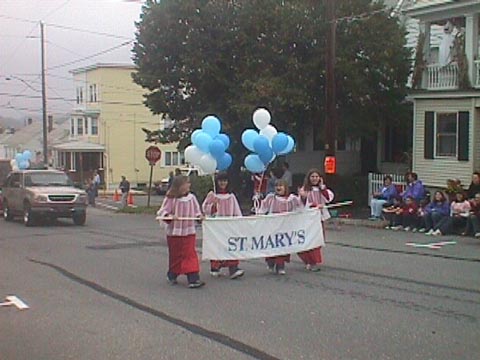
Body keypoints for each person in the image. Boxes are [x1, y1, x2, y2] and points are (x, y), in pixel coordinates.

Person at [156, 176, 205, 288]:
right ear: (180, 185)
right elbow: (163, 211)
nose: (189, 185)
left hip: (188, 232)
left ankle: (193, 278)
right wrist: (170, 217)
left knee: (190, 253)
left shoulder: (192, 198)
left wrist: (199, 217)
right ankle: (173, 273)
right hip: (175, 233)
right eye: (187, 183)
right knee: (176, 255)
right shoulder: (171, 198)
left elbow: (197, 211)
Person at [202, 172, 245, 279]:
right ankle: (215, 266)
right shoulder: (212, 195)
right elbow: (204, 207)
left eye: (225, 181)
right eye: (221, 181)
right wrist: (213, 207)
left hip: (228, 225)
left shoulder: (231, 196)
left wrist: (239, 221)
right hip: (217, 225)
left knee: (230, 246)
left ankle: (233, 267)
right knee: (216, 246)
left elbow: (236, 210)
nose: (223, 183)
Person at [258, 179, 303, 275]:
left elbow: (300, 208)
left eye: (281, 186)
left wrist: (302, 196)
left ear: (285, 187)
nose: (278, 188)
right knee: (272, 245)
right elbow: (263, 208)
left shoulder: (291, 199)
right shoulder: (271, 198)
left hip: (285, 228)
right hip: (272, 227)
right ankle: (271, 262)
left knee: (283, 246)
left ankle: (280, 265)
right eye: (276, 186)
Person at [297, 168, 334, 271]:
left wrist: (322, 188)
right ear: (309, 178)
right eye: (312, 176)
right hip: (309, 218)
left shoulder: (322, 189)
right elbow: (302, 203)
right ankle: (310, 260)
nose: (314, 178)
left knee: (318, 239)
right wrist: (305, 199)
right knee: (309, 238)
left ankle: (313, 261)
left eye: (316, 176)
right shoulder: (305, 189)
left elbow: (328, 198)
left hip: (319, 217)